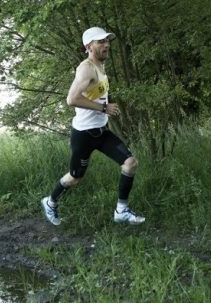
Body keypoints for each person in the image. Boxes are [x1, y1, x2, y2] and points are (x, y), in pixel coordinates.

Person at [40, 27, 145, 226]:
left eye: (107, 41)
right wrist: (103, 107)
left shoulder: (100, 66)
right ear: (89, 46)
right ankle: (50, 201)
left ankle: (121, 211)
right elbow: (71, 99)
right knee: (75, 178)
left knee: (130, 163)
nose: (106, 45)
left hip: (102, 132)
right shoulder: (86, 68)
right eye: (100, 42)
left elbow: (94, 92)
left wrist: (103, 107)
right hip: (83, 135)